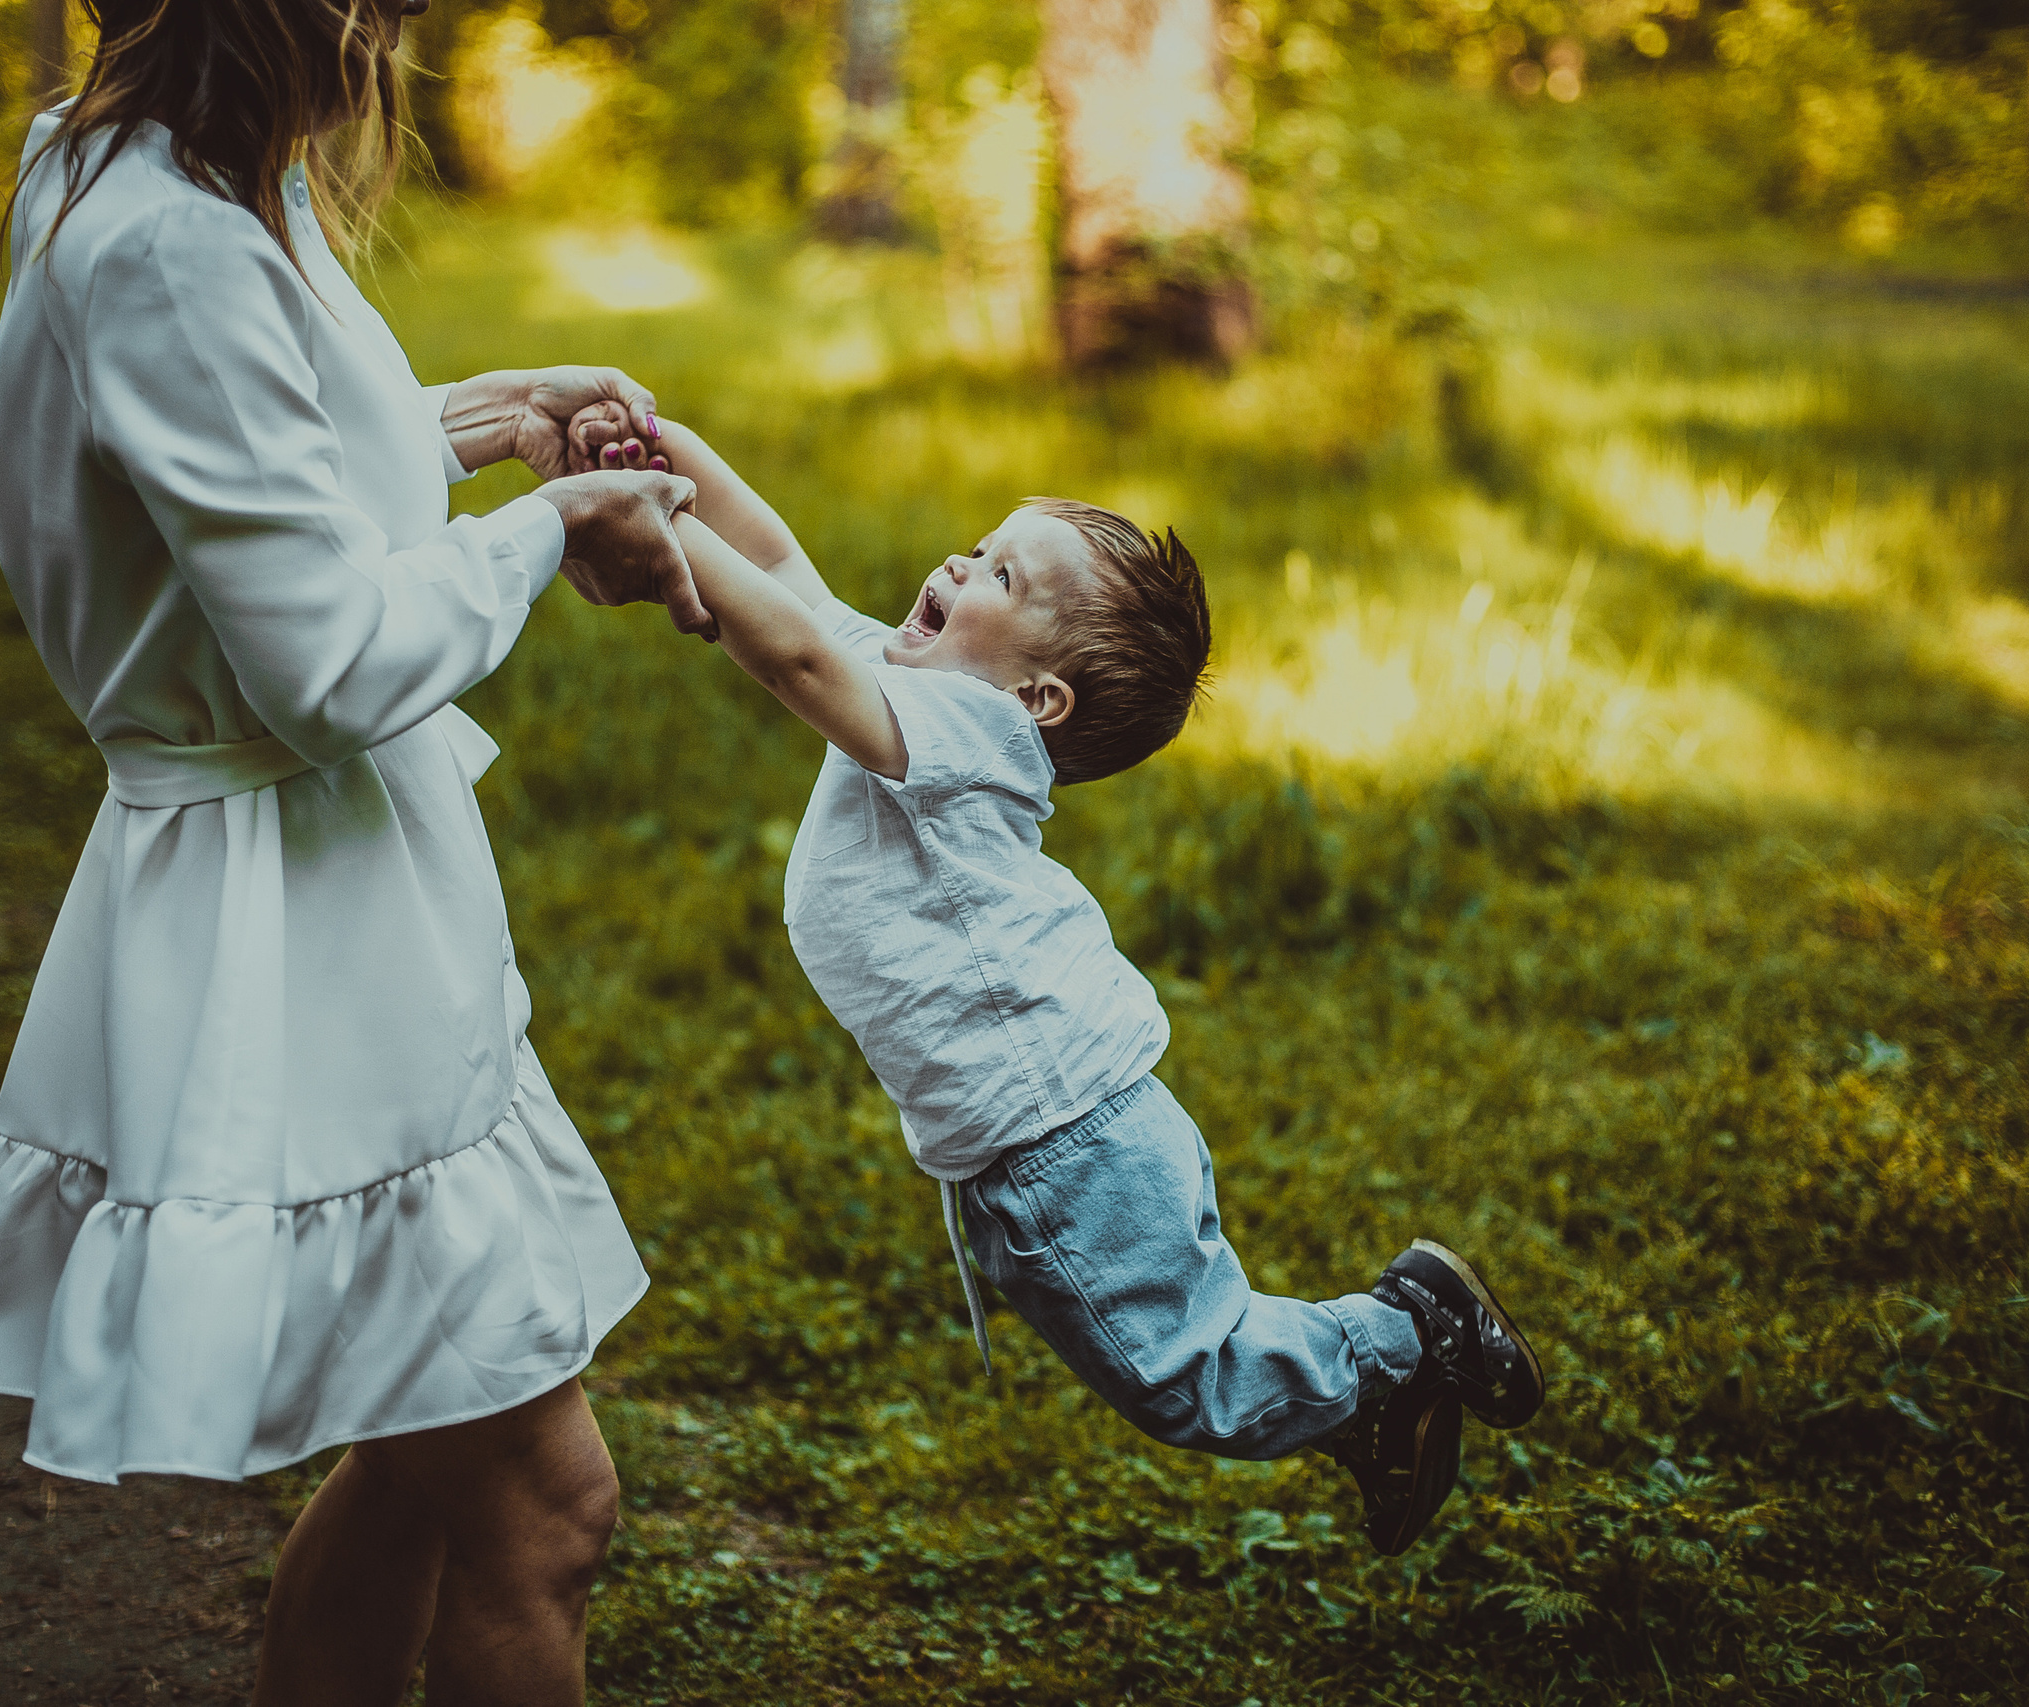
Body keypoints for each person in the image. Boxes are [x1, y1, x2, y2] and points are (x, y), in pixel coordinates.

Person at [0, 2, 695, 1702]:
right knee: (545, 1503)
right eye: (378, 10)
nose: (396, 43)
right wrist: (556, 527)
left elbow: (264, 468)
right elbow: (321, 664)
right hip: (295, 929)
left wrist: (488, 418)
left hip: (353, 897)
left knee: (418, 1469)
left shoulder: (165, 169)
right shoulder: (166, 235)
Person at [595, 411, 1548, 1554]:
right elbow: (779, 562)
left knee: (1184, 1382)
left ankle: (1401, 1339)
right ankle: (1366, 1405)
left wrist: (644, 518)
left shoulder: (965, 725)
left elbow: (788, 651)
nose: (955, 564)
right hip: (1052, 1132)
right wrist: (659, 442)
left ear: (1039, 699)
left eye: (997, 573)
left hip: (1062, 1140)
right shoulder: (915, 678)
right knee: (1189, 1356)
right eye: (977, 543)